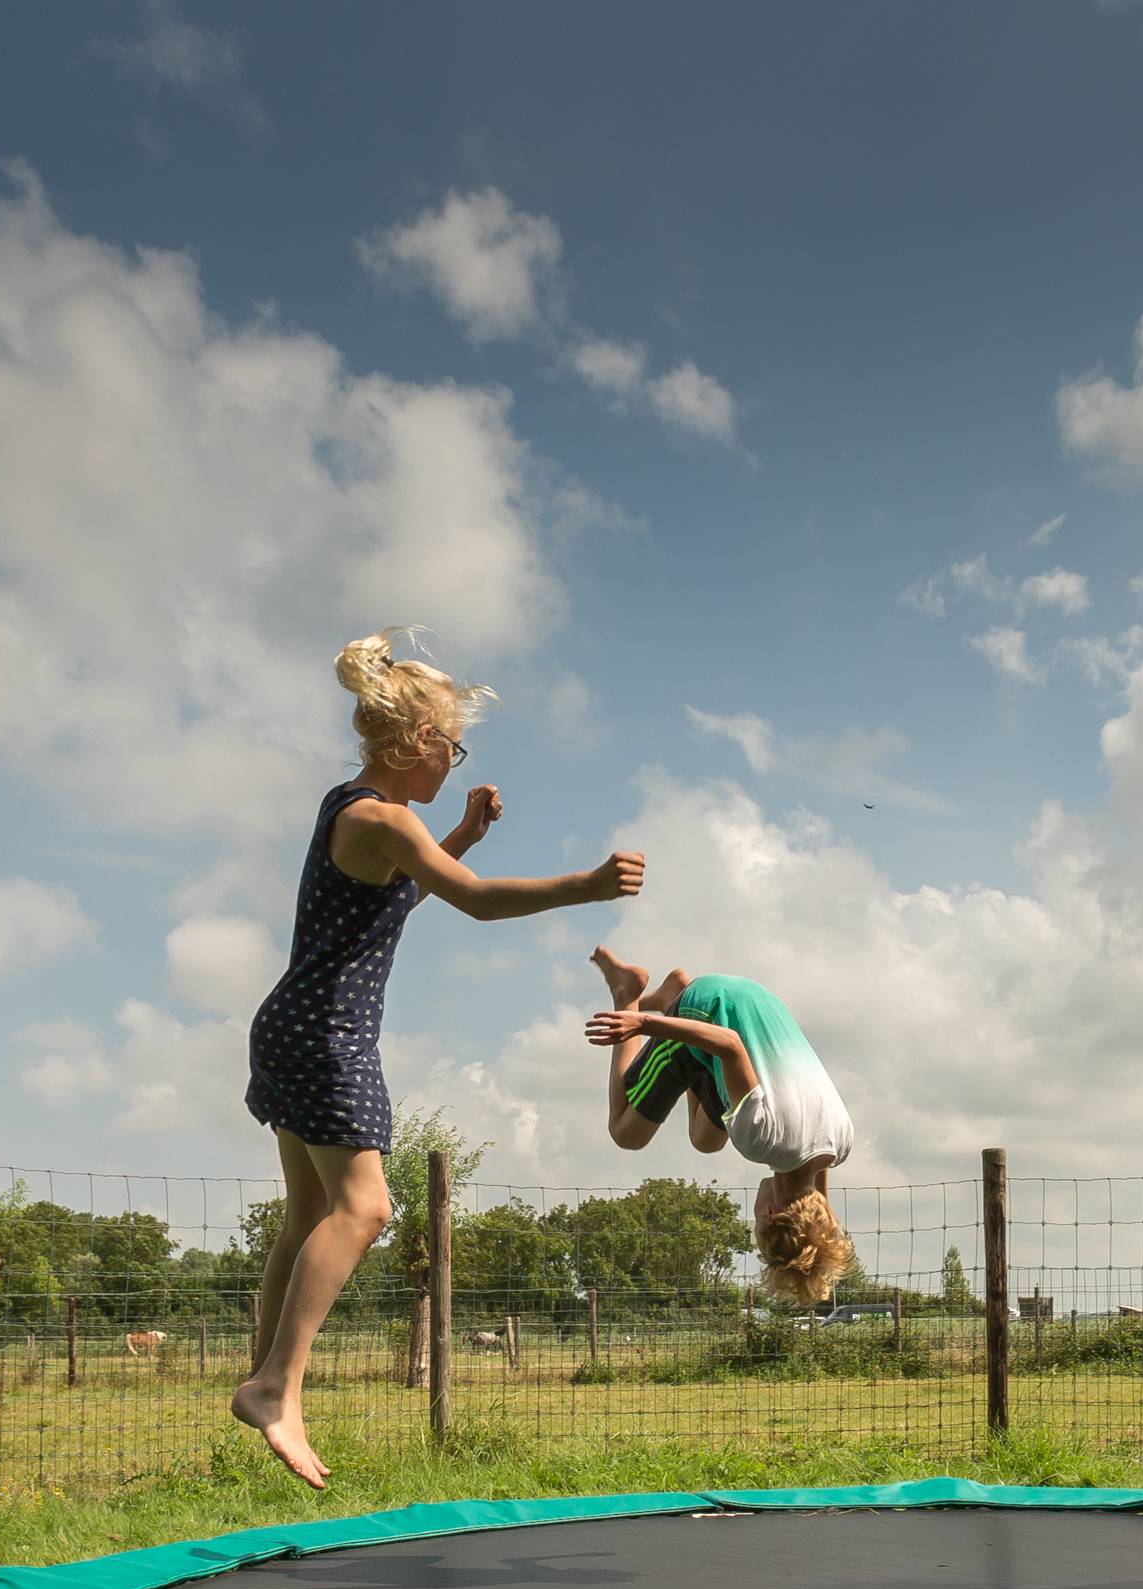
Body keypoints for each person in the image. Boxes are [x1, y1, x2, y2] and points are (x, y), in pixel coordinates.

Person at [233, 633, 643, 1488]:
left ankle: (268, 1381)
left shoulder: (350, 808)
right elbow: (476, 905)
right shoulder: (384, 818)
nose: (455, 763)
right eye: (453, 749)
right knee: (367, 1208)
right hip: (328, 1036)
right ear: (415, 742)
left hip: (290, 1027)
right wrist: (589, 884)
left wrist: (463, 831)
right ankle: (277, 1384)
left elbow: (406, 887)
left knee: (308, 1213)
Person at [581, 951, 857, 1306]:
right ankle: (629, 992)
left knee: (706, 1140)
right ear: (770, 1214)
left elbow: (818, 1195)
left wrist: (821, 1236)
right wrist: (642, 1025)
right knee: (626, 1133)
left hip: (763, 1004)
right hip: (709, 1010)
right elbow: (729, 1044)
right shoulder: (761, 1141)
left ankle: (670, 993)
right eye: (756, 1224)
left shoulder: (840, 1144)